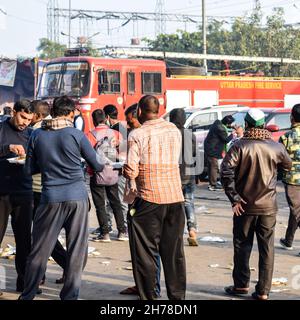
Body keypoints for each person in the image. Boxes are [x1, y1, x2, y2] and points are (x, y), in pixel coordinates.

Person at [19, 96, 104, 300]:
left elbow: (28, 170)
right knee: (76, 249)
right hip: (77, 198)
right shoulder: (76, 134)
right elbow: (98, 165)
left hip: (50, 198)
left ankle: (28, 294)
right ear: (70, 113)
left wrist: (48, 165)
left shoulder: (37, 135)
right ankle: (69, 296)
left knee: (40, 249)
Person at [221, 108, 292, 300]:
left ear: (247, 124)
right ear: (263, 125)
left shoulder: (239, 146)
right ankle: (263, 291)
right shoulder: (275, 146)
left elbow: (225, 172)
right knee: (267, 249)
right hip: (268, 206)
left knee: (242, 245)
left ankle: (241, 285)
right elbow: (288, 165)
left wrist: (234, 198)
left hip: (243, 206)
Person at [124, 95, 186, 300]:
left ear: (140, 111)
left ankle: (150, 298)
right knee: (174, 252)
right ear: (158, 110)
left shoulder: (137, 134)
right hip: (175, 198)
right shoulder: (174, 130)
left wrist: (127, 172)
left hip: (149, 199)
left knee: (146, 253)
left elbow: (132, 169)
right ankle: (177, 299)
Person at [31, 100, 67, 285]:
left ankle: (42, 276)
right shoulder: (65, 130)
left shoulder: (36, 131)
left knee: (43, 236)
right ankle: (66, 268)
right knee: (47, 235)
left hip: (40, 189)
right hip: (65, 190)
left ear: (36, 115)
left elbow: (32, 163)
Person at [0, 100, 34, 295]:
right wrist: (8, 148)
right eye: (22, 117)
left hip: (24, 192)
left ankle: (25, 284)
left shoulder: (32, 134)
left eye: (29, 119)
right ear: (14, 112)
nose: (25, 123)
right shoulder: (2, 129)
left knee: (24, 242)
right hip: (2, 193)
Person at [87, 109, 128, 242]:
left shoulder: (90, 135)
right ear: (105, 118)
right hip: (113, 174)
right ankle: (122, 231)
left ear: (93, 120)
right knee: (116, 202)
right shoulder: (116, 134)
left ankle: (105, 233)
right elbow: (123, 155)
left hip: (96, 174)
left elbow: (87, 156)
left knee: (100, 205)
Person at [170, 108, 199, 246]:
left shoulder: (169, 135)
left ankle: (177, 232)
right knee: (189, 203)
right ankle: (192, 229)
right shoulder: (190, 134)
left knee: (175, 204)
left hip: (173, 175)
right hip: (189, 174)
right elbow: (195, 155)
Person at [278, 104, 300, 252]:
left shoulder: (285, 137)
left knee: (296, 211)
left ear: (291, 117)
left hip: (292, 180)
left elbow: (279, 159)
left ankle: (289, 240)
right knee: (296, 211)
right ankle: (288, 240)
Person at [204, 115, 243, 191]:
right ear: (227, 123)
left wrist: (231, 127)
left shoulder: (218, 123)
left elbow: (225, 127)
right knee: (213, 167)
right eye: (230, 124)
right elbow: (226, 140)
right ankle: (212, 185)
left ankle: (212, 183)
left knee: (213, 167)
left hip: (209, 147)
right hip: (213, 149)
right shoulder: (221, 128)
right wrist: (233, 133)